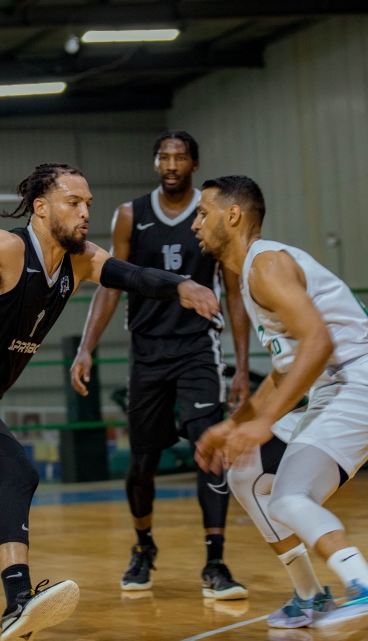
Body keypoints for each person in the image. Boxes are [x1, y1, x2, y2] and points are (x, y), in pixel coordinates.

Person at [0, 163, 220, 640]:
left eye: (88, 203)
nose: (86, 212)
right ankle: (18, 603)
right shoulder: (4, 248)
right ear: (42, 207)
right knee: (19, 473)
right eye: (74, 203)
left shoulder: (80, 259)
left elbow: (132, 276)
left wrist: (182, 286)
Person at [192, 176, 368, 637]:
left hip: (361, 382)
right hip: (339, 385)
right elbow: (284, 369)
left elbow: (319, 341)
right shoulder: (253, 271)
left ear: (232, 215)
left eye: (202, 212)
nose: (195, 224)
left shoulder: (266, 266)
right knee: (245, 471)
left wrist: (266, 422)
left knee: (291, 496)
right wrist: (234, 425)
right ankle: (310, 596)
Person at [69, 131, 251, 597]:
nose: (171, 164)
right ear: (155, 163)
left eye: (181, 157)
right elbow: (110, 283)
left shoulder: (211, 215)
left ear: (194, 163)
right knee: (142, 462)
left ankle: (215, 563)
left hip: (197, 349)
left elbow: (233, 294)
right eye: (164, 157)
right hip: (147, 351)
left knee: (210, 453)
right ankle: (143, 546)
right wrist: (86, 346)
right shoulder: (131, 214)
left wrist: (243, 367)